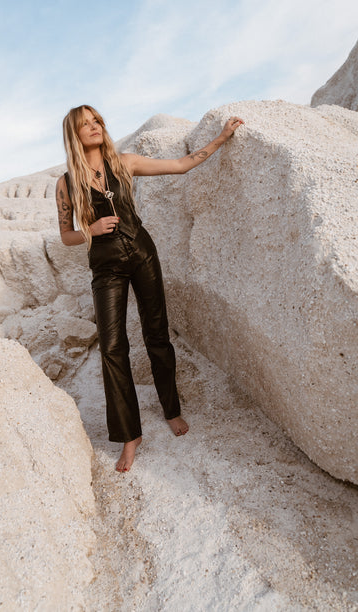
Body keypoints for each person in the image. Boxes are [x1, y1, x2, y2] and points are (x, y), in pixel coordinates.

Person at [56, 105, 244, 472]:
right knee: (112, 348)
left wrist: (221, 138)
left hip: (142, 252)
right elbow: (65, 236)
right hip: (105, 266)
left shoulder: (123, 162)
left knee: (156, 333)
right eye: (85, 125)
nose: (94, 128)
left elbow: (181, 165)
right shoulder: (66, 183)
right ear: (74, 135)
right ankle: (130, 435)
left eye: (97, 121)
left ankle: (171, 409)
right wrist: (88, 232)